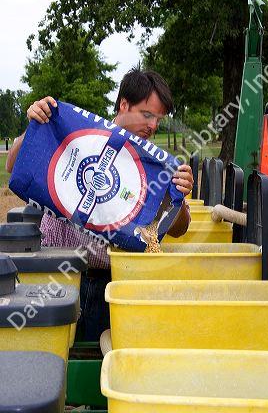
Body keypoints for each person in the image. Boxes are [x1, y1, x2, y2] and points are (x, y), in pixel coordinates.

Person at [6, 67, 193, 340]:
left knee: (104, 363)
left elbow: (179, 229)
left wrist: (178, 195)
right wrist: (34, 126)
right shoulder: (76, 134)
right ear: (124, 105)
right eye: (147, 114)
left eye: (158, 119)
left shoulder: (158, 164)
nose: (153, 126)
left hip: (114, 283)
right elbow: (13, 164)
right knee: (57, 363)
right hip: (58, 275)